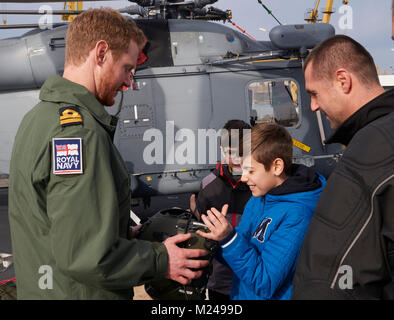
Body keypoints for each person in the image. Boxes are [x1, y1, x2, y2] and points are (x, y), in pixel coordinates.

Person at [8, 8, 208, 300]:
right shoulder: (79, 133)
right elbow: (86, 254)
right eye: (127, 68)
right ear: (100, 53)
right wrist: (162, 260)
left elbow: (60, 225)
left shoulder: (39, 118)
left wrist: (121, 233)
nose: (129, 82)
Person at [292, 35, 394, 299]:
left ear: (343, 81)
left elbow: (331, 279)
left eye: (314, 93)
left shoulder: (371, 150)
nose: (313, 105)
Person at [197, 123, 326, 300]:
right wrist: (208, 241)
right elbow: (240, 253)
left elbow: (264, 283)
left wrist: (229, 239)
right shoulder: (259, 199)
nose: (243, 178)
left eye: (250, 170)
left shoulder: (297, 215)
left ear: (277, 167)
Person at [191, 120, 252, 300]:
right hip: (220, 283)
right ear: (221, 149)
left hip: (253, 279)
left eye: (242, 154)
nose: (236, 161)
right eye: (230, 153)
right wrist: (195, 213)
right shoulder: (208, 185)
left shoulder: (262, 184)